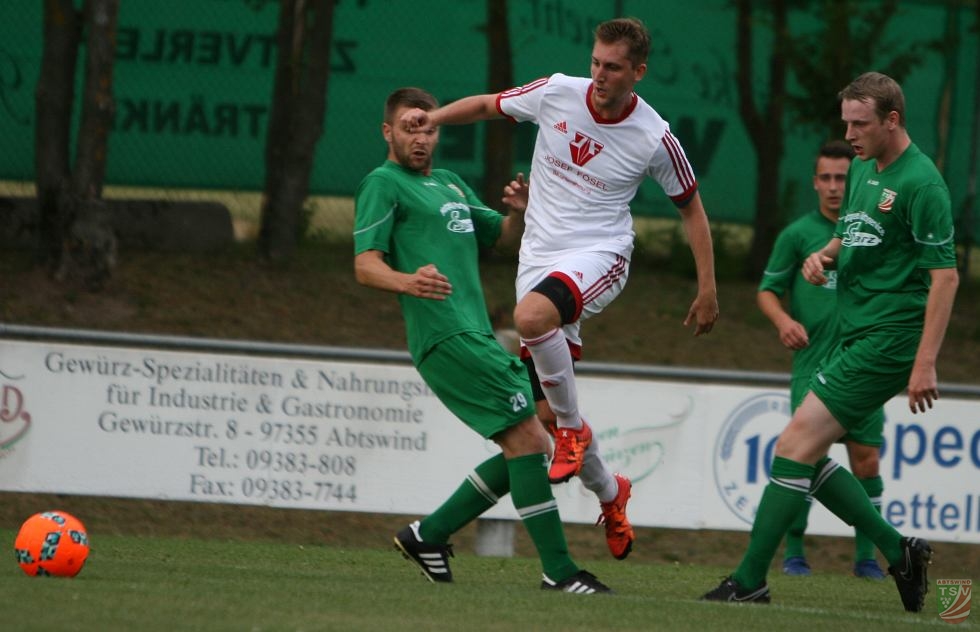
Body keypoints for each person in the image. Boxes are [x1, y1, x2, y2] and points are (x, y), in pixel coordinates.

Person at [401, 17, 720, 561]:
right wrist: (434, 116)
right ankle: (611, 491)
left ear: (638, 73)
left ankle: (571, 437)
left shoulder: (653, 135)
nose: (599, 75)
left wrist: (708, 288)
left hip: (600, 257)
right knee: (542, 419)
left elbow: (691, 208)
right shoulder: (557, 93)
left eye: (613, 67)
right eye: (596, 62)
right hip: (538, 263)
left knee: (530, 323)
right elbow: (486, 105)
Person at [702, 72, 958, 612]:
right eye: (845, 122)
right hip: (853, 334)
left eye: (860, 123)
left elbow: (945, 278)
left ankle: (749, 579)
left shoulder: (922, 183)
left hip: (890, 340)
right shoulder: (865, 166)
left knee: (793, 446)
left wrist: (925, 363)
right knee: (804, 454)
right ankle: (899, 550)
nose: (850, 133)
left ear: (893, 120)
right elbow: (854, 230)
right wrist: (824, 255)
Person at [353, 87, 610, 594]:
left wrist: (519, 211)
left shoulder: (450, 183)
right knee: (532, 440)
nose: (421, 137)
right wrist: (408, 281)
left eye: (428, 127)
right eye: (409, 127)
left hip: (478, 334)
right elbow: (365, 264)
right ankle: (558, 572)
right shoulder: (382, 184)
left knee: (534, 432)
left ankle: (429, 534)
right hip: (445, 334)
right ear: (388, 132)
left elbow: (504, 240)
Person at [757, 140, 887, 580]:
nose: (834, 187)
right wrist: (782, 321)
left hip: (863, 363)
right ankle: (795, 554)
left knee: (866, 458)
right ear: (815, 182)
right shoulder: (797, 235)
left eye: (842, 178)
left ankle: (867, 560)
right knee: (804, 457)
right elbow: (767, 291)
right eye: (826, 178)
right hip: (812, 365)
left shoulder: (871, 232)